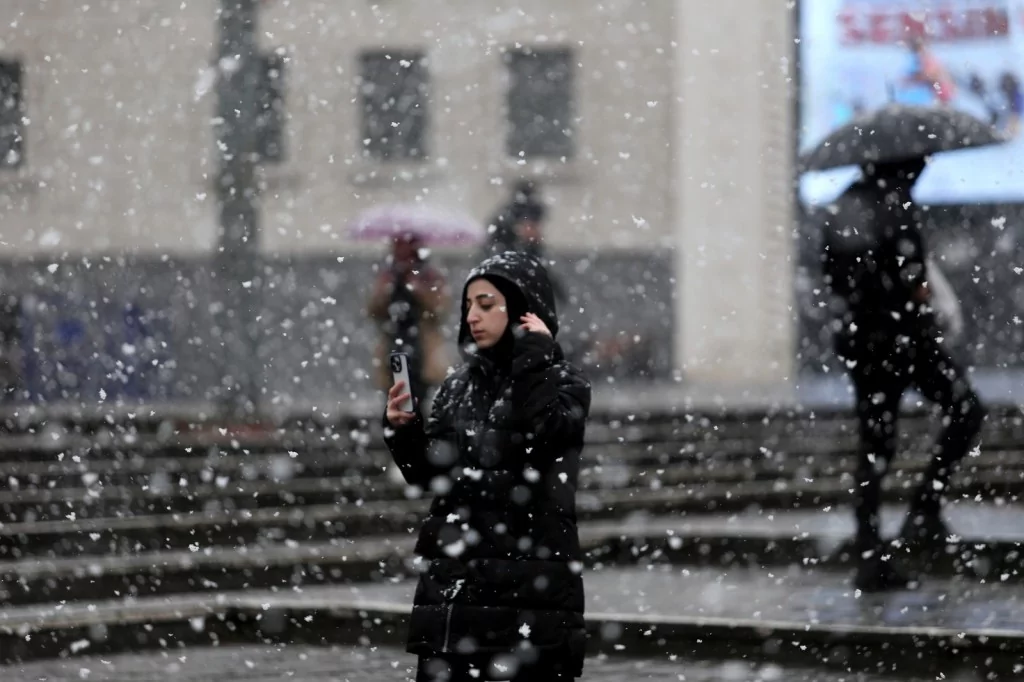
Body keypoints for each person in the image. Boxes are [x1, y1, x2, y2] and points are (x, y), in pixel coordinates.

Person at [383, 251, 591, 681]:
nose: (472, 316)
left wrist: (532, 360)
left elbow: (538, 441)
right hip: (456, 590)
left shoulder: (564, 383)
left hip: (526, 589)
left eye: (486, 304)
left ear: (524, 310)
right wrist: (404, 431)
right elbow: (430, 475)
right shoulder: (457, 386)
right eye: (468, 306)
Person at [822, 158, 986, 592]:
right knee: (965, 410)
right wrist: (915, 294)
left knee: (876, 443)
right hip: (901, 339)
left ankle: (870, 550)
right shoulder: (892, 205)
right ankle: (924, 509)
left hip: (864, 340)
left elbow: (837, 277)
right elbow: (910, 276)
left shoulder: (846, 206)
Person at [367, 233, 450, 409]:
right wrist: (385, 290)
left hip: (421, 348)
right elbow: (373, 311)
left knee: (418, 400)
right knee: (396, 400)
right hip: (394, 344)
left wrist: (419, 290)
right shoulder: (388, 275)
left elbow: (439, 311)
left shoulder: (429, 276)